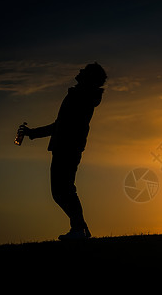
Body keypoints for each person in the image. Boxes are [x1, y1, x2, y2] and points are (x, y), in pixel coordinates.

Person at [19, 62, 107, 240]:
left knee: (62, 191)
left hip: (68, 147)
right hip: (66, 146)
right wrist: (33, 133)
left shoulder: (81, 96)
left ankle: (78, 229)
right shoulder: (80, 95)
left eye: (84, 70)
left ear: (88, 77)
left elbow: (62, 125)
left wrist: (33, 133)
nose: (79, 70)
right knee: (63, 190)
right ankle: (80, 228)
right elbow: (59, 124)